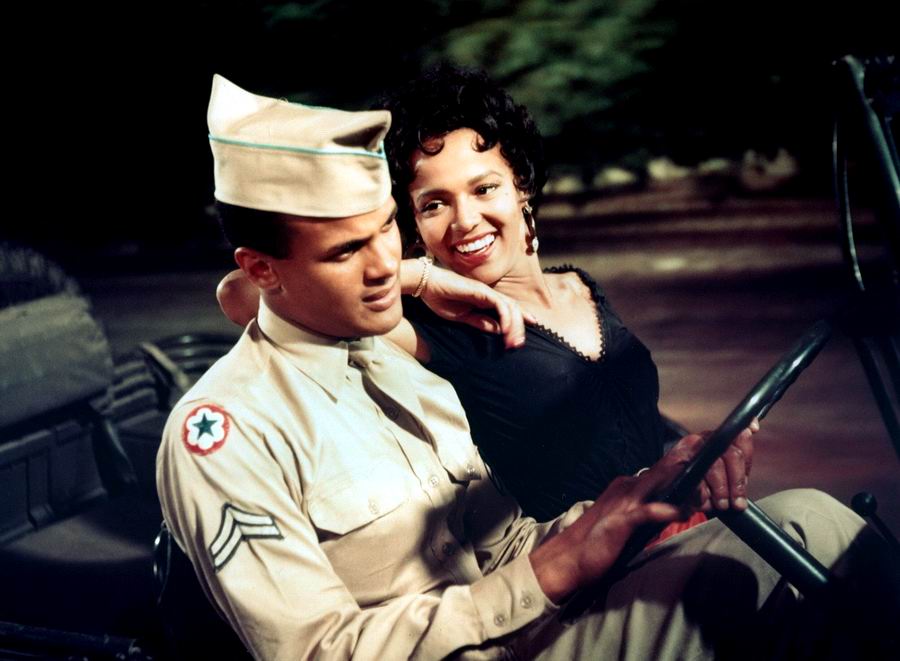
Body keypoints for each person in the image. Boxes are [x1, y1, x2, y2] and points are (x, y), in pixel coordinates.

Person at [160, 74, 895, 661]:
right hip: (509, 632)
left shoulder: (392, 367)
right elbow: (312, 650)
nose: (385, 264)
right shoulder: (232, 429)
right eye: (350, 250)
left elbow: (498, 545)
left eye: (385, 230)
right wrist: (552, 570)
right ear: (264, 268)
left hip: (541, 617)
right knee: (811, 556)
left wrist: (633, 499)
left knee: (810, 524)